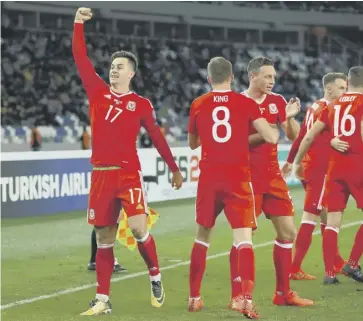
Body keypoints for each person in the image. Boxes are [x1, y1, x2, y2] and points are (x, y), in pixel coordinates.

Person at [72, 8, 183, 315]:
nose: (114, 70)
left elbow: (158, 138)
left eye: (120, 67)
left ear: (131, 72)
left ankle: (155, 276)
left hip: (128, 174)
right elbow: (80, 58)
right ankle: (103, 300)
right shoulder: (97, 92)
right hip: (101, 176)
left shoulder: (141, 104)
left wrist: (174, 168)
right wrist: (78, 23)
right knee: (104, 238)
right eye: (112, 66)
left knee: (137, 229)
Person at [187, 56, 279, 318]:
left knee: (202, 237)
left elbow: (193, 143)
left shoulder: (198, 103)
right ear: (232, 78)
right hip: (238, 178)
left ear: (209, 78)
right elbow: (271, 136)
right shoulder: (245, 102)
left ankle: (194, 297)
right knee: (243, 240)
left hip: (209, 178)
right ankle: (246, 300)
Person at [240, 56, 313, 306]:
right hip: (246, 177)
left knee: (288, 232)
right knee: (243, 237)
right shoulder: (238, 102)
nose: (272, 81)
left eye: (273, 77)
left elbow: (294, 135)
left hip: (273, 177)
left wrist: (290, 117)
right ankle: (238, 295)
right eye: (267, 76)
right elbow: (235, 143)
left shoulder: (277, 101)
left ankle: (283, 294)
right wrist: (267, 134)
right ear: (253, 76)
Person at [294, 66, 363, 284]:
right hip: (354, 166)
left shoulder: (332, 105)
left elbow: (308, 135)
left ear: (349, 82)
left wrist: (296, 162)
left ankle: (330, 274)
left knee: (332, 222)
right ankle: (352, 264)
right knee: (317, 216)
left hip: (333, 170)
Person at [281, 73, 347, 280]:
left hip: (313, 166)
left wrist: (292, 160)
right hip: (321, 168)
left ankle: (336, 261)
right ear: (329, 89)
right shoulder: (328, 110)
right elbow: (310, 138)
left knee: (327, 215)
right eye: (342, 88)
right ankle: (294, 268)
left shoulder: (314, 107)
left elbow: (301, 135)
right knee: (311, 215)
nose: (345, 92)